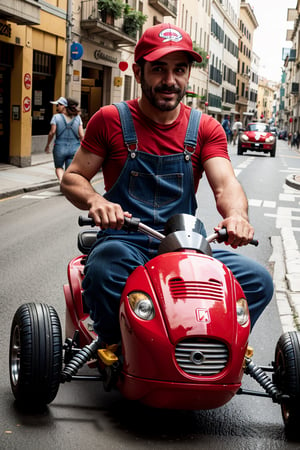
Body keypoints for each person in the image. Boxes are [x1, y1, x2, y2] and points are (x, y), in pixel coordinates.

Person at [61, 24, 274, 357]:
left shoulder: (205, 128)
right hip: (125, 242)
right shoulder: (110, 120)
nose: (170, 80)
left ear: (188, 75)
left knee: (257, 281)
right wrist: (96, 200)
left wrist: (236, 215)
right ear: (139, 71)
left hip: (185, 246)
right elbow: (72, 176)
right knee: (103, 268)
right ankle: (116, 349)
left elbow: (226, 184)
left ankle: (219, 352)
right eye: (159, 68)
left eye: (179, 70)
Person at [45, 97, 84, 182]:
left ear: (64, 106)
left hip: (60, 147)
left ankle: (62, 181)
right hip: (75, 148)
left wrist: (48, 145)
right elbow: (81, 135)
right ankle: (67, 184)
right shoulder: (77, 118)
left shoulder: (56, 117)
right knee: (69, 169)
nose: (57, 107)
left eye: (58, 105)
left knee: (58, 167)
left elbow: (52, 132)